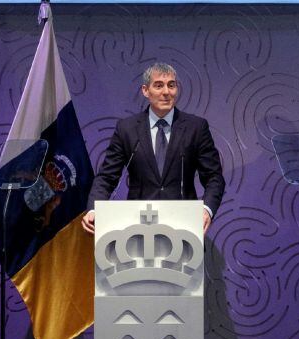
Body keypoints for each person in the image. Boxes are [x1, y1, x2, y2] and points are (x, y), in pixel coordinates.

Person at [81, 62, 225, 234]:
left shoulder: (196, 128)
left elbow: (213, 177)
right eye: (158, 85)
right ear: (145, 90)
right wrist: (94, 210)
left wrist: (207, 209)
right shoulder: (127, 129)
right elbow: (107, 177)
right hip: (137, 230)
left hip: (183, 229)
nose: (166, 92)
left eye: (171, 85)